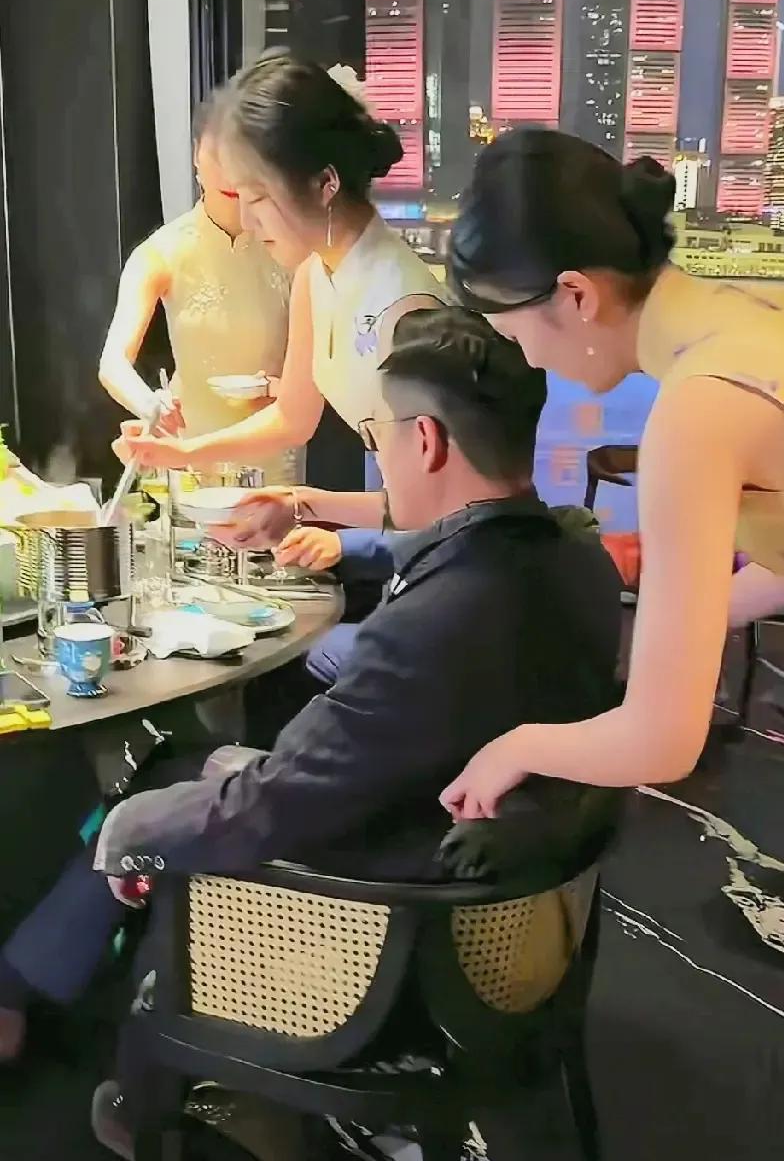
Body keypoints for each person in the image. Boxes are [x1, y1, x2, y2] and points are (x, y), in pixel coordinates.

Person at [437, 126, 784, 1161]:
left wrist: (517, 745)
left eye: (514, 328)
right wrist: (683, 623)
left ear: (575, 296)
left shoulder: (699, 408)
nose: (524, 357)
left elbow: (663, 742)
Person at [0, 309, 623, 1073]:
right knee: (180, 770)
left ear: (426, 441)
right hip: (507, 892)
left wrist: (125, 835)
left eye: (378, 434)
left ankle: (100, 1053)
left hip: (390, 931)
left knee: (150, 803)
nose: (380, 454)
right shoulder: (578, 558)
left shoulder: (428, 627)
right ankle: (36, 976)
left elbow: (268, 806)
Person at [118, 53, 447, 505]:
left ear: (325, 183)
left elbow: (440, 508)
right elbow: (292, 417)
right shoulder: (315, 272)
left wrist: (309, 514)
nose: (247, 223)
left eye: (256, 198)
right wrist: (181, 453)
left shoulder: (404, 309)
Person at [99, 97, 296, 484]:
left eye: (242, 157)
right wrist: (150, 404)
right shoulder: (163, 251)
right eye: (217, 155)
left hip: (274, 453)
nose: (229, 173)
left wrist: (283, 388)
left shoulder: (291, 246)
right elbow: (113, 363)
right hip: (190, 456)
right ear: (195, 156)